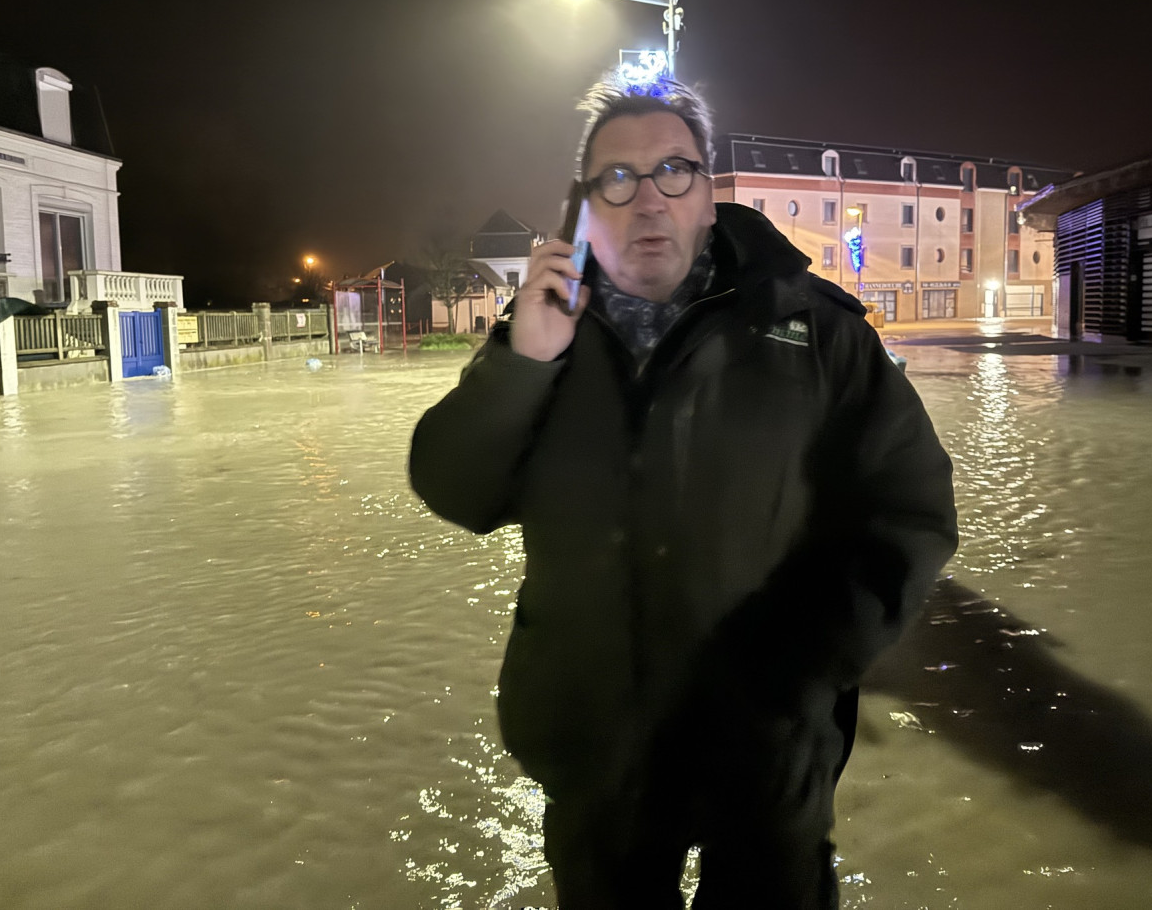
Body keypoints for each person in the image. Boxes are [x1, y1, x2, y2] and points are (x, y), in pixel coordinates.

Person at [409, 74, 958, 909]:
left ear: (709, 195)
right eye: (617, 179)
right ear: (585, 207)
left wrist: (808, 665)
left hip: (768, 758)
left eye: (675, 171)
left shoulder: (816, 333)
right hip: (593, 752)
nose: (649, 200)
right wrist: (522, 363)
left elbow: (908, 509)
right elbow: (453, 488)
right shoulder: (541, 338)